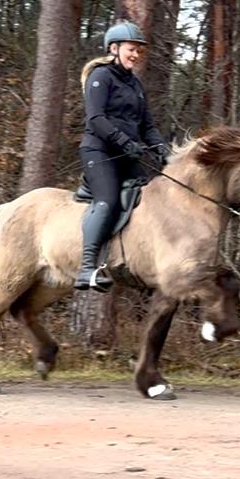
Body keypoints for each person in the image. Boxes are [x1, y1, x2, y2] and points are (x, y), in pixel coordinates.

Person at [74, 20, 168, 292]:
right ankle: (87, 268)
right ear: (114, 48)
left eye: (139, 51)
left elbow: (147, 125)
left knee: (150, 198)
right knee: (108, 200)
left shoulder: (135, 84)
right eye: (131, 49)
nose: (136, 55)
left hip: (127, 155)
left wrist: (161, 148)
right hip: (99, 152)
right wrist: (123, 141)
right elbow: (96, 119)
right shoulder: (101, 76)